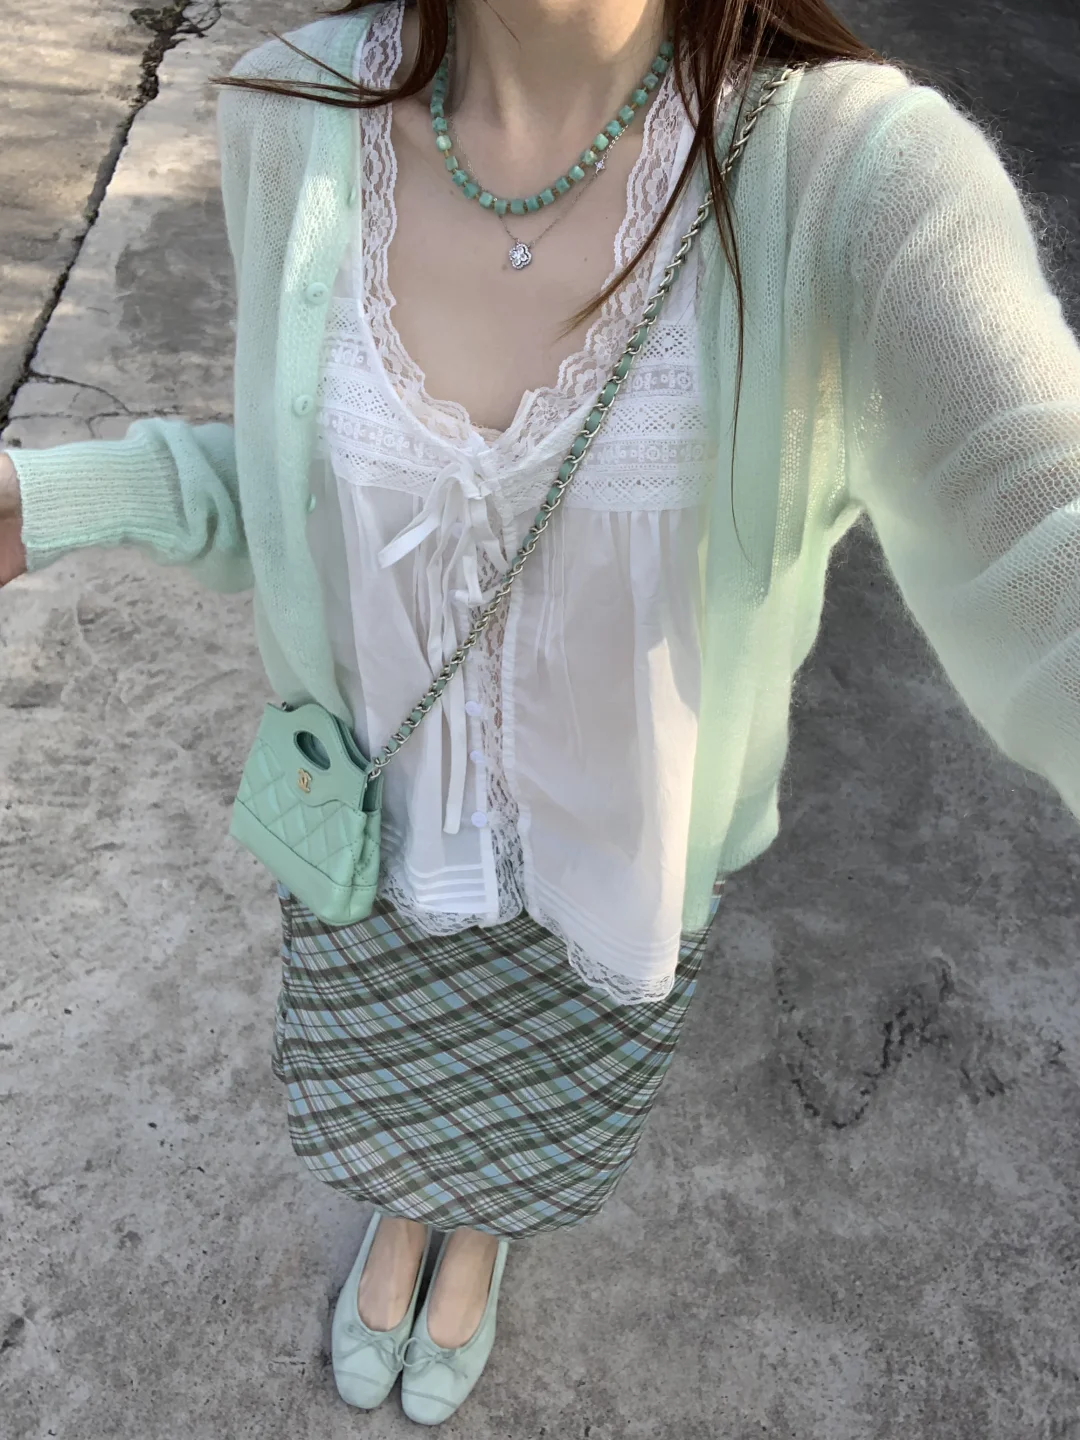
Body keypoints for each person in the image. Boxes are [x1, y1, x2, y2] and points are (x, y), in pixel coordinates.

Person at [1, 0, 1078, 1425]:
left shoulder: (852, 177)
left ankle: (478, 1231)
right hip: (378, 831)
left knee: (523, 1114)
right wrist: (50, 498)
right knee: (396, 1086)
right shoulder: (290, 118)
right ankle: (407, 1209)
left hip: (617, 864)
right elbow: (303, 489)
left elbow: (1040, 528)